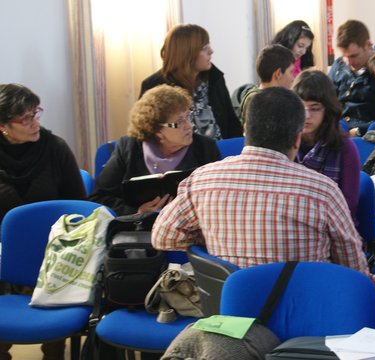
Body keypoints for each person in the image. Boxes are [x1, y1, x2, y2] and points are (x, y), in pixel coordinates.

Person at [152, 87, 375, 332]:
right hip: (314, 321)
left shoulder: (202, 180)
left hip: (232, 326)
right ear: (296, 138)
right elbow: (354, 272)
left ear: (246, 130)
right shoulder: (320, 190)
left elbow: (162, 237)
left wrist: (209, 235)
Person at [0, 83, 86, 360]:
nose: (35, 122)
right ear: (3, 126)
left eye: (36, 113)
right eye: (26, 118)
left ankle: (54, 349)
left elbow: (81, 207)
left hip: (55, 251)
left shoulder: (55, 148)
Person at [89, 84, 221, 216]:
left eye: (188, 116)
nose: (189, 126)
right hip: (139, 230)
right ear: (157, 130)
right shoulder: (129, 148)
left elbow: (219, 194)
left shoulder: (205, 148)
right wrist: (136, 212)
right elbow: (99, 198)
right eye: (179, 122)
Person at [140, 24, 242, 140]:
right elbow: (147, 134)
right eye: (204, 48)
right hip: (180, 156)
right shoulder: (154, 86)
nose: (211, 51)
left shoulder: (214, 78)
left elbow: (232, 124)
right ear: (187, 54)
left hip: (222, 154)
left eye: (209, 45)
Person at [292, 69, 360, 223]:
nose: (307, 116)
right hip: (293, 228)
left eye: (314, 108)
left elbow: (347, 206)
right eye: (301, 107)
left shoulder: (345, 148)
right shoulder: (286, 145)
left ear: (327, 110)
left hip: (335, 228)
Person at [328, 20, 375, 135]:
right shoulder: (338, 66)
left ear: (368, 45)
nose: (349, 62)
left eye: (354, 56)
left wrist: (359, 131)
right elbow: (327, 102)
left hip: (369, 135)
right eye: (344, 56)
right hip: (337, 132)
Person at [238, 44, 295, 124]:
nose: (293, 78)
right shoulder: (258, 101)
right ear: (278, 74)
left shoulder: (276, 97)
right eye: (291, 72)